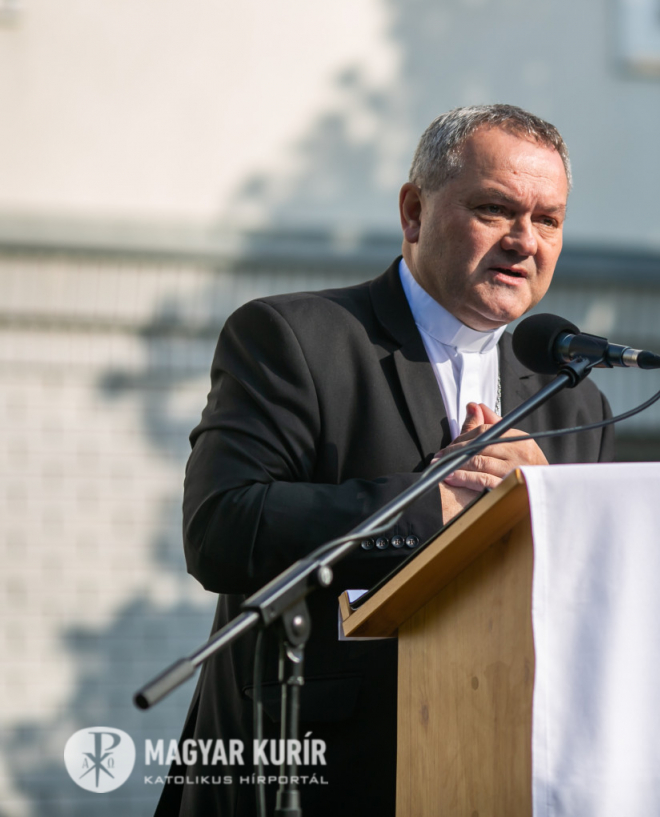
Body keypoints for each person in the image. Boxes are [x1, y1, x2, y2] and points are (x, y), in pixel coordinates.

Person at [156, 105, 613, 816]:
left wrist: (548, 513)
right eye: (495, 209)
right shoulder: (295, 339)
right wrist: (433, 507)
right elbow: (220, 530)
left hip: (498, 774)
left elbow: (596, 603)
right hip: (313, 779)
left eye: (547, 219)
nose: (525, 240)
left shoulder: (574, 402)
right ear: (413, 212)